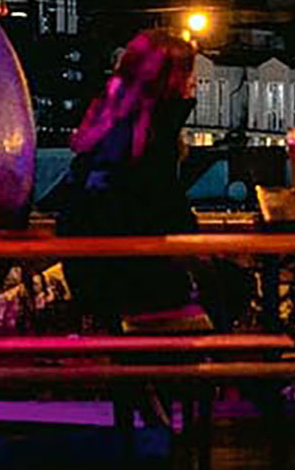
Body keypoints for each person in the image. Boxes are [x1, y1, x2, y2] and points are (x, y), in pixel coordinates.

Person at [45, 29, 207, 327]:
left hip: (95, 273)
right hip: (135, 276)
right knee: (231, 290)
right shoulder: (153, 136)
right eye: (188, 74)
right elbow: (160, 204)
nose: (194, 83)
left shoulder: (110, 128)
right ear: (169, 80)